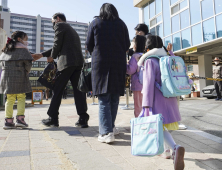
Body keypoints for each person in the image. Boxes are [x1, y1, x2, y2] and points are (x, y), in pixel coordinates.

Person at [32, 13, 89, 128]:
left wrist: (51, 57)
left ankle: (53, 118)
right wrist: (42, 54)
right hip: (77, 63)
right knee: (79, 92)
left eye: (53, 22)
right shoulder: (71, 29)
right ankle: (83, 118)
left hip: (66, 63)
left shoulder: (60, 25)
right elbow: (59, 46)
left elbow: (56, 44)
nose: (53, 26)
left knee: (57, 89)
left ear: (57, 19)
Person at [138, 35, 185, 170]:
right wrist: (170, 51)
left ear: (147, 47)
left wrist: (146, 104)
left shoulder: (150, 61)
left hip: (156, 99)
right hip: (170, 98)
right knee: (164, 126)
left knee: (158, 127)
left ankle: (175, 148)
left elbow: (148, 84)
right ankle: (167, 151)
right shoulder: (167, 58)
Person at [86, 3, 130, 143]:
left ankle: (106, 132)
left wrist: (98, 51)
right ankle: (111, 127)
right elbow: (127, 44)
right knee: (114, 97)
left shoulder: (95, 22)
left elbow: (89, 44)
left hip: (101, 63)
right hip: (118, 63)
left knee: (104, 97)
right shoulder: (122, 24)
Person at [0, 31, 33, 129]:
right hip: (19, 75)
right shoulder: (24, 50)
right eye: (26, 39)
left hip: (6, 76)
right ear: (19, 39)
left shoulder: (6, 49)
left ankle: (8, 121)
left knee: (9, 99)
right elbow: (28, 65)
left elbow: (1, 64)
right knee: (21, 97)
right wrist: (26, 72)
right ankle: (20, 120)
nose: (26, 42)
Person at [126, 35, 146, 117]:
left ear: (135, 45)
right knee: (146, 105)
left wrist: (126, 64)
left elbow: (130, 70)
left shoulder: (135, 56)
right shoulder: (146, 56)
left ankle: (139, 123)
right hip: (146, 84)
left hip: (137, 85)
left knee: (138, 105)